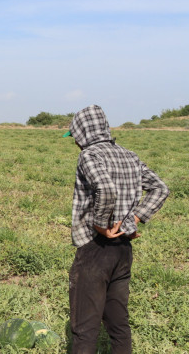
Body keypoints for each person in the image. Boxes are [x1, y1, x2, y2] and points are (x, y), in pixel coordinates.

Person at [65, 105, 169, 353]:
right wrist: (135, 218)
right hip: (122, 249)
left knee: (84, 329)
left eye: (76, 136)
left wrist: (101, 225)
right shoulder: (130, 155)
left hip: (95, 250)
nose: (76, 142)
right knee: (118, 324)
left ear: (83, 133)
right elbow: (160, 188)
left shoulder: (89, 155)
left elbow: (106, 188)